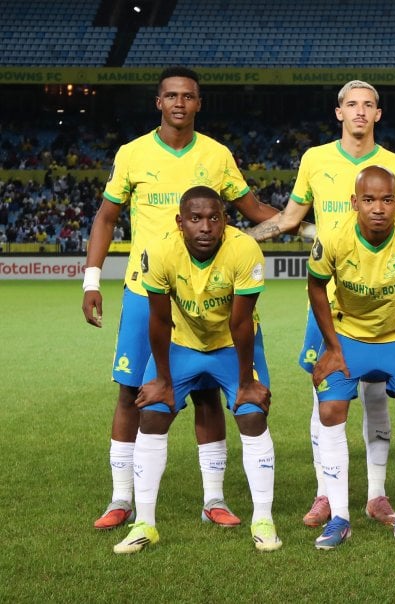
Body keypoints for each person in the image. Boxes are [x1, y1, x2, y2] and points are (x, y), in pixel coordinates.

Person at [83, 66, 280, 531]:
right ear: (158, 102)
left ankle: (213, 499)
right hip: (144, 290)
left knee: (208, 392)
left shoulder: (216, 155)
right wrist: (93, 280)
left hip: (206, 293)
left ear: (198, 103)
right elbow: (107, 217)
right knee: (133, 391)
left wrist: (310, 224)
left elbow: (253, 212)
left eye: (187, 96)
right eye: (170, 96)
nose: (179, 103)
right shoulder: (132, 154)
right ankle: (121, 499)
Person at [246, 80, 395, 528]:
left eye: (368, 106)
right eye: (351, 105)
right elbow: (289, 220)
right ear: (338, 112)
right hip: (330, 300)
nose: (360, 112)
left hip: (386, 304)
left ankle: (378, 495)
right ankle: (327, 493)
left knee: (379, 396)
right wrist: (238, 241)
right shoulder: (315, 159)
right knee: (324, 393)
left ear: (378, 115)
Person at [113, 186, 280, 554]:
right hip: (182, 343)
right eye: (195, 218)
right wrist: (162, 379)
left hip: (232, 345)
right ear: (180, 223)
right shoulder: (159, 250)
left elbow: (240, 323)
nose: (205, 226)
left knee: (251, 415)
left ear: (224, 221)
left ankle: (263, 520)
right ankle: (145, 523)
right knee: (153, 414)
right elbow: (157, 320)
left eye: (214, 218)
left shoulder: (244, 249)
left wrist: (244, 383)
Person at [306, 166, 395, 550]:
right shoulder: (333, 235)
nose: (377, 208)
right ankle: (340, 518)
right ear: (354, 203)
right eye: (368, 200)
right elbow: (316, 286)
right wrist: (332, 347)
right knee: (330, 411)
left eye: (386, 200)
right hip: (349, 338)